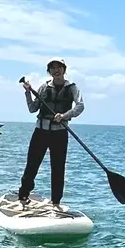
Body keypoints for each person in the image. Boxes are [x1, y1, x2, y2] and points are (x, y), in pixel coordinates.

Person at [18, 59, 84, 206]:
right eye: (53, 68)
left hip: (60, 133)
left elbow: (80, 106)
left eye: (59, 67)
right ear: (49, 71)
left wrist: (65, 115)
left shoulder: (72, 88)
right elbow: (32, 109)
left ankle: (56, 202)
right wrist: (28, 93)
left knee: (58, 168)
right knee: (32, 165)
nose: (56, 70)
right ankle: (23, 195)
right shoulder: (44, 87)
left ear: (64, 69)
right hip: (41, 132)